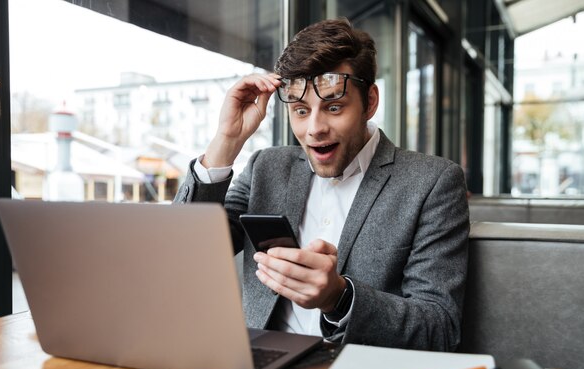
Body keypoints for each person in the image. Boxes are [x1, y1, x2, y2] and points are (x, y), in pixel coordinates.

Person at [174, 18, 469, 351]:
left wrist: (339, 298)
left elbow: (440, 328)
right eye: (301, 110)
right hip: (258, 364)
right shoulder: (265, 168)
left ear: (370, 102)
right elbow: (183, 253)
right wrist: (226, 141)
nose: (314, 128)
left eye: (333, 107)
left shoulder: (432, 182)